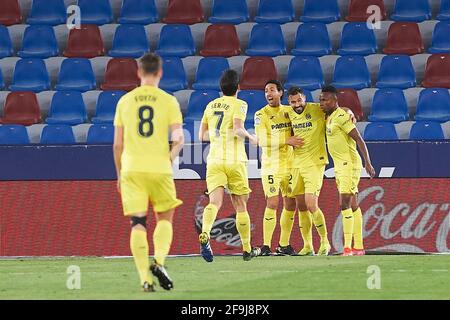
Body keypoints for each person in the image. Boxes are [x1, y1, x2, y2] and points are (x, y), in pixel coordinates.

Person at [113, 53, 184, 292]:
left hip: (132, 169)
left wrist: (119, 173)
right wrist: (169, 159)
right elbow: (179, 138)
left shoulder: (125, 101)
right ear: (160, 72)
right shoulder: (168, 101)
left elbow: (117, 145)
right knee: (165, 218)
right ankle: (160, 262)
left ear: (138, 72)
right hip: (160, 168)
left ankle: (145, 279)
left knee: (138, 223)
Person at [198, 69, 261, 262]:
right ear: (238, 87)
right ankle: (247, 249)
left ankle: (206, 234)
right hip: (235, 160)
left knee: (214, 203)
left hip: (215, 160)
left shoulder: (210, 105)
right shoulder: (240, 104)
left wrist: (218, 136)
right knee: (241, 205)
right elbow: (237, 128)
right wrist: (252, 138)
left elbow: (202, 136)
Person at [319, 86, 375, 256]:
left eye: (325, 100)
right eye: (321, 99)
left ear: (335, 101)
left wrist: (368, 162)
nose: (322, 103)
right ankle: (358, 247)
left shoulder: (342, 117)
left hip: (349, 164)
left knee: (344, 203)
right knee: (353, 204)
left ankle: (347, 248)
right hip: (340, 165)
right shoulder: (329, 117)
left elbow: (359, 139)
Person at [254, 80, 303, 256]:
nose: (268, 93)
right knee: (273, 203)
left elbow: (313, 112)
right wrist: (286, 141)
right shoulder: (261, 115)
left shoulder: (289, 111)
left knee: (290, 203)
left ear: (281, 93)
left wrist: (347, 111)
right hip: (271, 166)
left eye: (272, 90)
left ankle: (283, 244)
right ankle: (266, 245)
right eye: (266, 90)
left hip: (290, 165)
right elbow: (262, 141)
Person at [285, 87, 332, 256]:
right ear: (289, 102)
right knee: (302, 206)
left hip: (315, 163)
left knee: (312, 204)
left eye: (299, 100)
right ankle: (308, 246)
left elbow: (336, 109)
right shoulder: (288, 113)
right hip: (296, 163)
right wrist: (286, 140)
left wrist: (349, 112)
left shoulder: (317, 109)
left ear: (304, 98)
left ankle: (325, 242)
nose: (297, 105)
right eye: (293, 102)